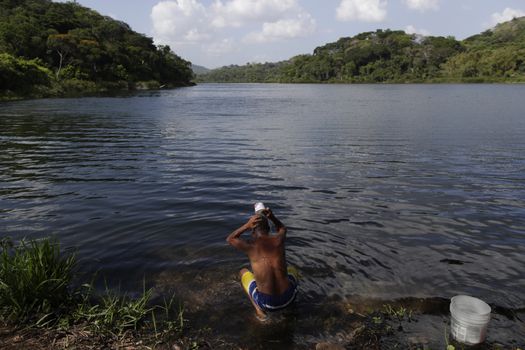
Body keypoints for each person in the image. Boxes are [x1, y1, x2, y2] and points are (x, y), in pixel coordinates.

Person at [226, 206, 298, 320]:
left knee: (243, 271)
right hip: (289, 298)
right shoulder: (279, 239)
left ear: (253, 231)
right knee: (292, 270)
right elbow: (283, 228)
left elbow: (230, 239)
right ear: (269, 229)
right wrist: (272, 217)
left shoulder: (250, 246)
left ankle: (259, 311)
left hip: (267, 304)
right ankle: (290, 308)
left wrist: (247, 225)